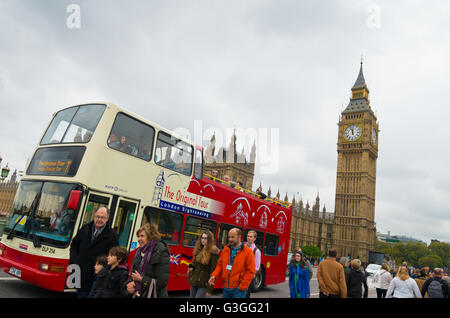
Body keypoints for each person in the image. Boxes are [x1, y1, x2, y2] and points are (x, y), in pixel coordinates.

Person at [69, 207, 119, 298]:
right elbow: (74, 245)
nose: (99, 219)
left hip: (96, 277)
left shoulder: (112, 235)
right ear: (94, 216)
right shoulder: (85, 228)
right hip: (78, 272)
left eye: (102, 217)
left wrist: (103, 270)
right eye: (97, 216)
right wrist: (74, 260)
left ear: (107, 219)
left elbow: (114, 257)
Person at [126, 223, 170, 298]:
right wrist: (130, 283)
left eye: (142, 236)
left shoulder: (161, 251)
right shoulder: (139, 251)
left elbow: (162, 282)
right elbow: (134, 274)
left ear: (150, 237)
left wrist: (141, 280)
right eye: (138, 236)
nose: (139, 239)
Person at [209, 228, 255, 298]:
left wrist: (242, 287)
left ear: (239, 237)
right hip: (226, 288)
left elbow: (250, 271)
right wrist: (214, 275)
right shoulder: (225, 250)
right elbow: (220, 265)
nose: (230, 239)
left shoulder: (248, 252)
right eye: (229, 237)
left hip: (239, 291)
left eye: (232, 237)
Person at [187, 230, 220, 298]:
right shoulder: (198, 249)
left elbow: (213, 270)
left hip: (204, 283)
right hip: (194, 280)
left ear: (209, 240)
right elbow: (193, 262)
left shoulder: (213, 252)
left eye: (205, 238)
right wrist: (190, 267)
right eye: (202, 238)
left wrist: (209, 290)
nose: (203, 240)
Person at [245, 230, 262, 298]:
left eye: (251, 237)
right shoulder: (241, 246)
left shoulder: (256, 251)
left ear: (254, 239)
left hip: (248, 278)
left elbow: (256, 268)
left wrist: (249, 276)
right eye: (248, 236)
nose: (249, 238)